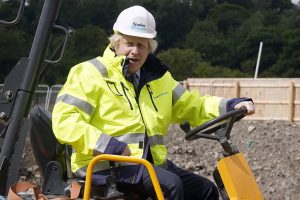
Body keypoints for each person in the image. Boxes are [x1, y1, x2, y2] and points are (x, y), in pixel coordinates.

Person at [52, 5, 255, 200]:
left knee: (205, 190)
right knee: (170, 186)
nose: (135, 51)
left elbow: (194, 104)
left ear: (149, 48)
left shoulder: (159, 79)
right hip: (105, 165)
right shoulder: (89, 73)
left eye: (141, 45)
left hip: (147, 165)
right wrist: (110, 146)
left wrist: (231, 106)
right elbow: (64, 121)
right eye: (129, 43)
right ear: (116, 43)